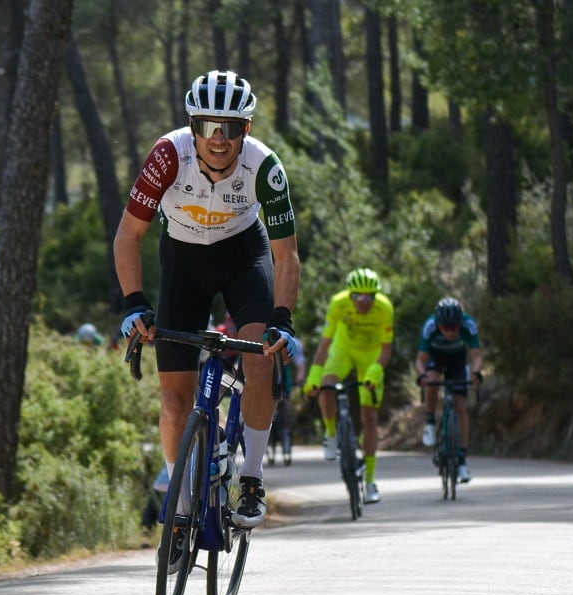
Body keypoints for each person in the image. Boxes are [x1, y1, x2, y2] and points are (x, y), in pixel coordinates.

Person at [114, 70, 300, 530]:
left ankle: (252, 479)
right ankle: (179, 504)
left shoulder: (264, 167)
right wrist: (134, 302)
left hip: (243, 254)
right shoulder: (166, 157)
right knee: (175, 401)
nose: (219, 139)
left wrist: (282, 319)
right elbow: (127, 236)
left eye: (231, 128)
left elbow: (286, 255)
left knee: (260, 358)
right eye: (208, 126)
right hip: (184, 261)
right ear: (192, 125)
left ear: (246, 130)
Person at [303, 268, 393, 504]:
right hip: (343, 350)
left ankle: (371, 481)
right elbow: (325, 343)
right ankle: (331, 433)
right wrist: (314, 373)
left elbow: (385, 349)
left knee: (369, 416)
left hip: (371, 356)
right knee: (326, 386)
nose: (363, 302)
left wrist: (375, 371)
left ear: (376, 296)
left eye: (369, 297)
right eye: (357, 297)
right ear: (349, 295)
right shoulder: (338, 304)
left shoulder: (385, 308)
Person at [414, 297, 483, 483]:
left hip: (458, 362)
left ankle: (461, 461)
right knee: (432, 381)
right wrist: (421, 376)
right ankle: (429, 422)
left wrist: (476, 373)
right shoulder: (430, 326)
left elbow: (476, 356)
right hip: (435, 359)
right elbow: (420, 360)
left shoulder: (468, 325)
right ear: (439, 324)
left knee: (460, 406)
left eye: (455, 328)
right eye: (446, 328)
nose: (451, 332)